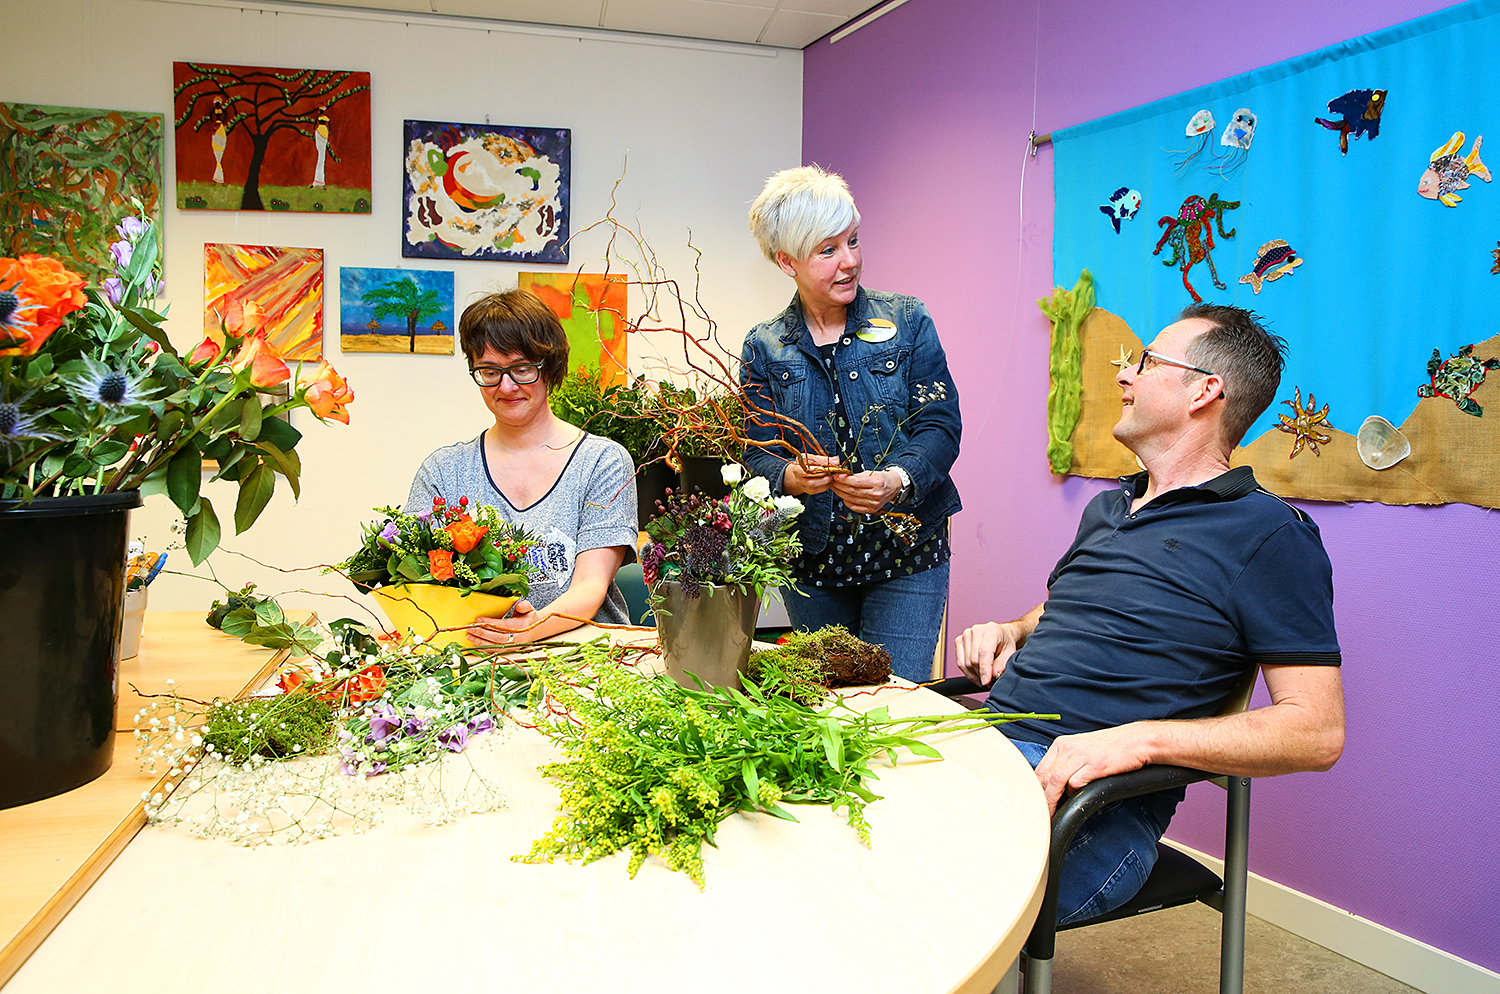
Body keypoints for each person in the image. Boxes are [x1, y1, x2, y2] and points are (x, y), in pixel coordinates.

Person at [956, 303, 1345, 924]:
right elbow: (1070, 602)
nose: (1124, 377)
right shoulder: (1110, 509)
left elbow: (1316, 731)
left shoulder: (1270, 534)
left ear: (1205, 391)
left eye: (1146, 362)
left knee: (899, 899)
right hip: (990, 750)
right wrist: (1016, 628)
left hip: (1093, 804)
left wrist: (1138, 741)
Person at [740, 165, 962, 683]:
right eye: (828, 250)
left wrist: (897, 480)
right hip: (816, 561)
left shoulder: (909, 319)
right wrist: (790, 478)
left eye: (854, 241)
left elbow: (940, 422)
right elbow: (756, 452)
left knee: (894, 705)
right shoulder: (764, 346)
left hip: (909, 551)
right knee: (831, 711)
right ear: (786, 261)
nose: (850, 262)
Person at [404, 288, 637, 646]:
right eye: (489, 371)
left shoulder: (602, 462)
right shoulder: (443, 472)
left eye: (522, 369)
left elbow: (591, 585)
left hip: (589, 661)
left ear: (550, 367)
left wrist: (528, 629)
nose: (506, 386)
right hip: (476, 661)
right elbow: (420, 587)